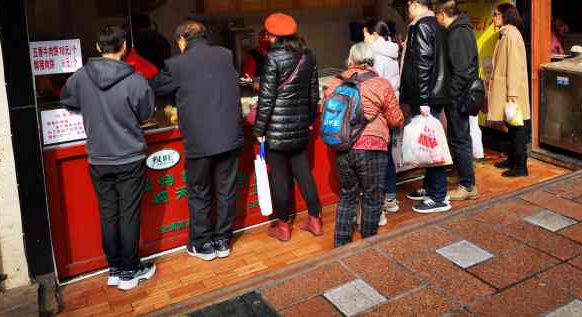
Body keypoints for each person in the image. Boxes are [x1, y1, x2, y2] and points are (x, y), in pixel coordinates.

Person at [61, 26, 156, 290]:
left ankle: (114, 268)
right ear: (124, 47)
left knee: (108, 212)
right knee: (128, 213)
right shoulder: (136, 79)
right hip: (129, 156)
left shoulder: (80, 77)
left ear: (97, 47)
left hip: (98, 157)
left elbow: (67, 101)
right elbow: (147, 113)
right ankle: (130, 270)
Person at [151, 21, 243, 261]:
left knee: (199, 191)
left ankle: (202, 244)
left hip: (200, 141)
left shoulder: (177, 64)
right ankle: (223, 240)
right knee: (226, 190)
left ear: (182, 39)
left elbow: (156, 88)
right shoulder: (226, 54)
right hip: (229, 136)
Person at [325, 43, 404, 246]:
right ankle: (368, 247)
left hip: (343, 147)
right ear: (371, 60)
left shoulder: (335, 83)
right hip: (372, 147)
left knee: (347, 196)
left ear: (350, 60)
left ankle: (340, 245)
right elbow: (396, 120)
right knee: (372, 196)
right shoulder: (380, 84)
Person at [254, 13, 322, 242]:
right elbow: (314, 94)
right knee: (304, 173)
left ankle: (283, 227)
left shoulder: (271, 58)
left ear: (272, 35)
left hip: (276, 130)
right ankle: (315, 220)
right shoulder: (307, 55)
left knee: (280, 178)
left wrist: (259, 130)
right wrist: (309, 120)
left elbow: (266, 99)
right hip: (301, 127)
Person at [400, 0, 452, 213]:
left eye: (408, 7)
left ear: (413, 5)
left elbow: (422, 65)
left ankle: (439, 196)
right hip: (435, 92)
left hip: (427, 96)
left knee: (432, 144)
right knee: (429, 140)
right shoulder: (437, 24)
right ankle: (431, 188)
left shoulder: (420, 26)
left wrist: (422, 102)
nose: (408, 11)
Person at [434, 0, 479, 201]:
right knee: (459, 138)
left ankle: (468, 186)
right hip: (459, 95)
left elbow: (462, 70)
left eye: (437, 15)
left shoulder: (458, 32)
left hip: (459, 97)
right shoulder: (460, 29)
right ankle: (462, 175)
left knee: (460, 139)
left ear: (442, 14)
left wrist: (451, 94)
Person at [488, 3, 531, 177]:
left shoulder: (511, 35)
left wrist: (512, 93)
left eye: (496, 14)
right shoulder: (507, 34)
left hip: (512, 91)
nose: (494, 17)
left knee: (517, 128)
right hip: (509, 89)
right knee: (512, 127)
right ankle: (513, 159)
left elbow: (514, 66)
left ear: (506, 15)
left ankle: (520, 166)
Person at [363, 19, 401, 215]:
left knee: (378, 157)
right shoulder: (392, 52)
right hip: (392, 106)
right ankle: (391, 197)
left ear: (374, 35)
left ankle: (381, 200)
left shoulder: (376, 56)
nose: (364, 38)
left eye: (366, 35)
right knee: (386, 155)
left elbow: (374, 87)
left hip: (379, 111)